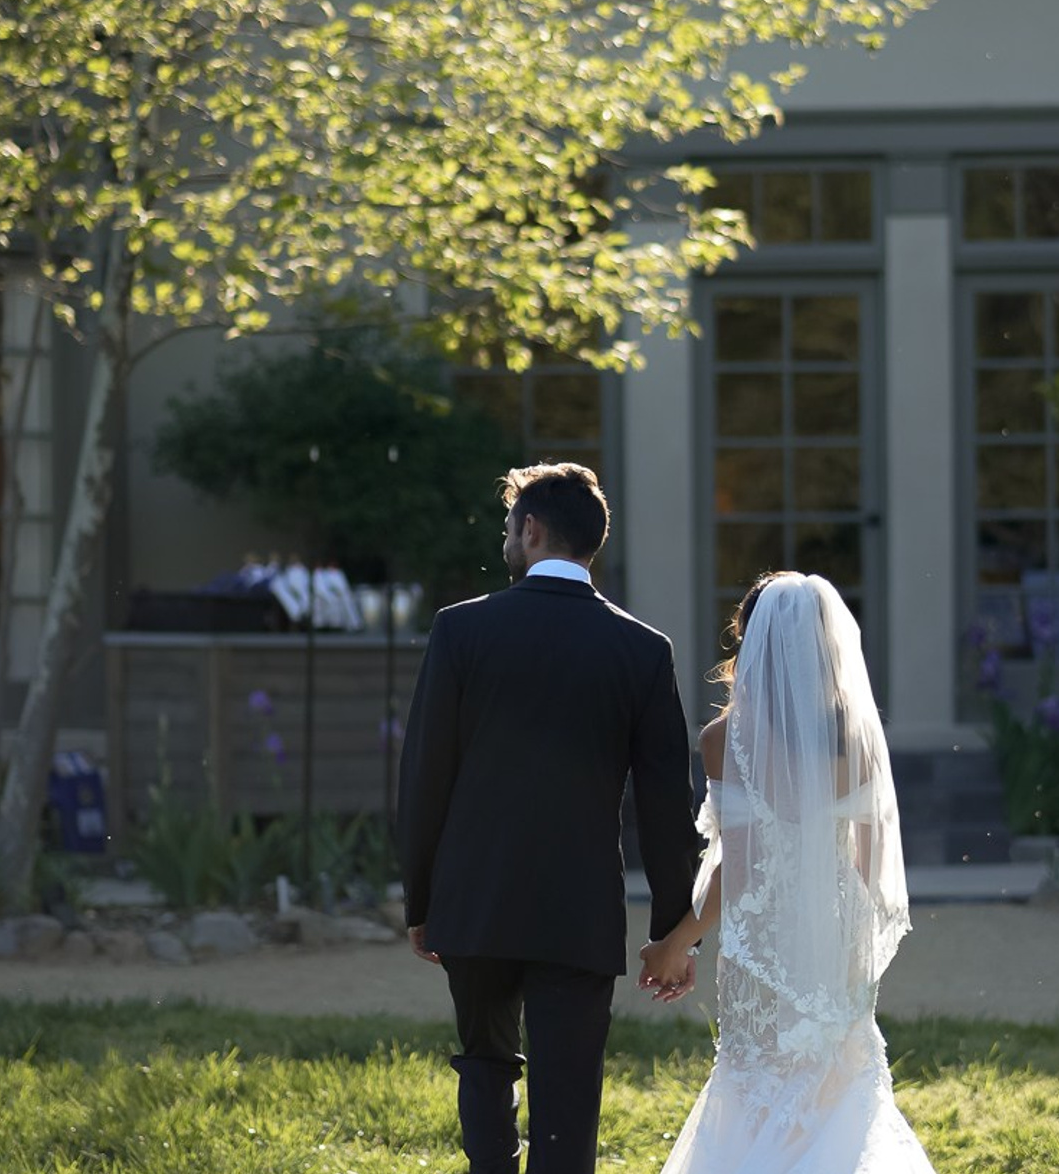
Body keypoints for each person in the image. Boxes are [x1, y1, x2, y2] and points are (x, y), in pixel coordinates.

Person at [398, 461, 701, 1174]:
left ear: (530, 530)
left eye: (509, 526)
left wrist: (422, 899)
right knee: (570, 1091)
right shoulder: (643, 649)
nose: (508, 538)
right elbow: (666, 803)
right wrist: (670, 927)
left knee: (484, 1062)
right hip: (579, 906)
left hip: (474, 896)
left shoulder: (460, 630)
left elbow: (424, 778)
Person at [638, 571, 937, 1174]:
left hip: (763, 945)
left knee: (757, 1092)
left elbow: (742, 868)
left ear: (747, 642)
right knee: (834, 1091)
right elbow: (874, 865)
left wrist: (675, 943)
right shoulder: (856, 737)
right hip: (834, 938)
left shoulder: (726, 738)